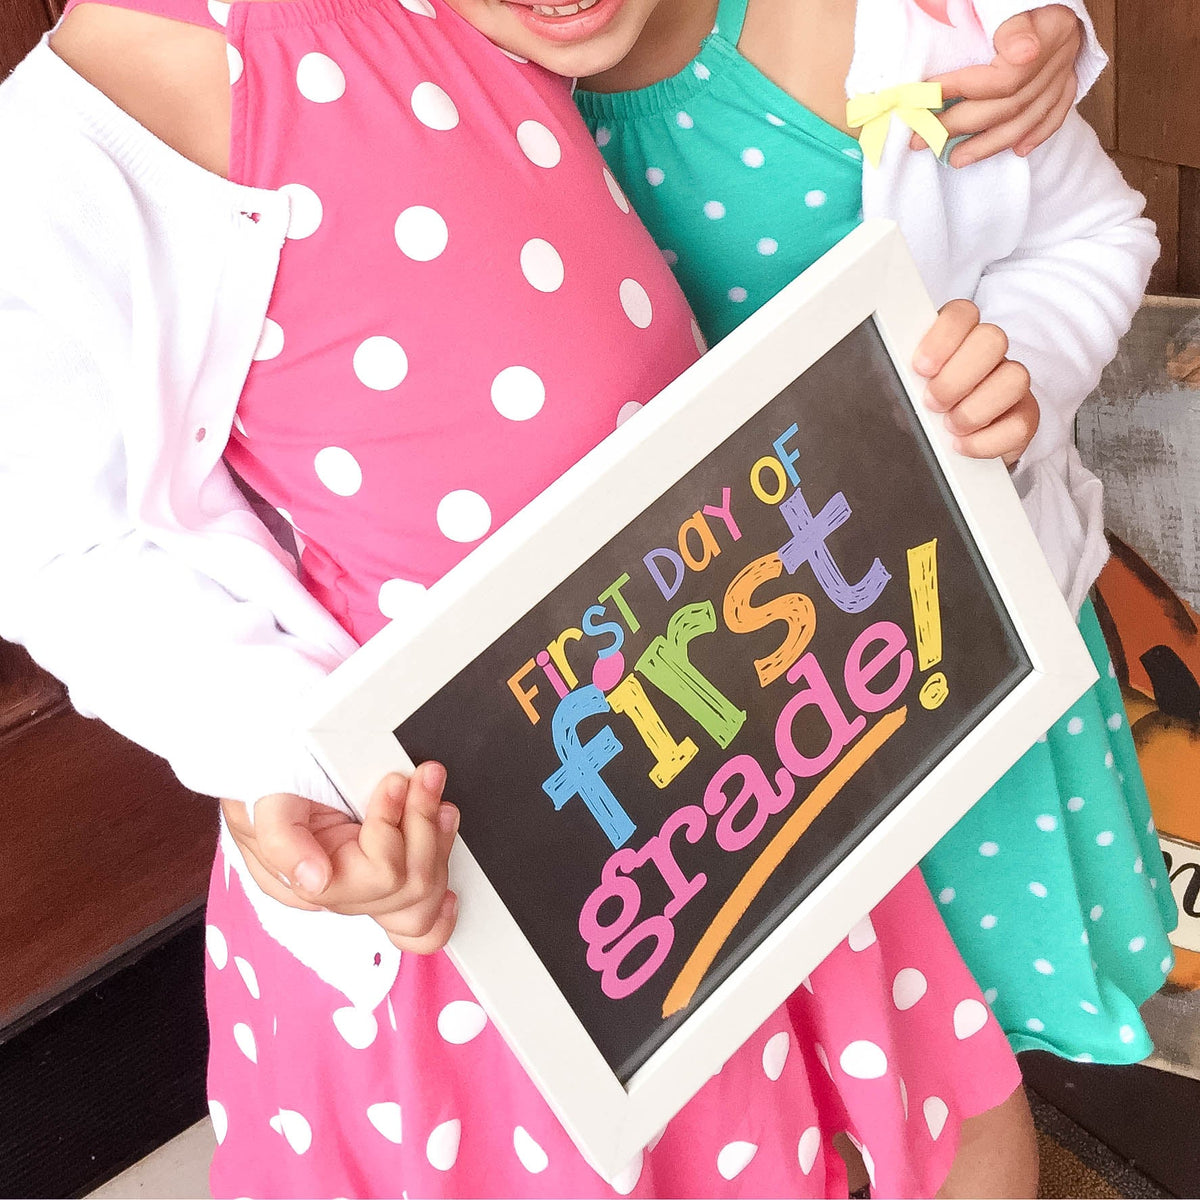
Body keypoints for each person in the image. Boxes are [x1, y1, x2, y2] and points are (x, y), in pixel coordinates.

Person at [0, 0, 1113, 1196]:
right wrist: (284, 759)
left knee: (941, 1109)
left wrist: (1023, 25)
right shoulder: (72, 156)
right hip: (476, 839)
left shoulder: (443, 11)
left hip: (723, 737)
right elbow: (60, 550)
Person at [460, 0, 1177, 1099]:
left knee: (965, 1066)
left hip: (940, 659)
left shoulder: (877, 41)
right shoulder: (425, 103)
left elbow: (1093, 234)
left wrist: (1017, 368)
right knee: (788, 1090)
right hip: (690, 764)